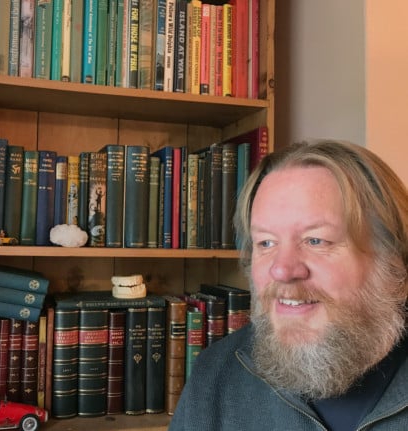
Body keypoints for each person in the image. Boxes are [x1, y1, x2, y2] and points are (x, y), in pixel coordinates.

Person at [168, 140, 408, 431]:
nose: (281, 270)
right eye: (266, 243)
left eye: (316, 240)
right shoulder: (214, 378)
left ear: (393, 261)